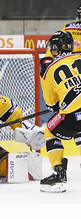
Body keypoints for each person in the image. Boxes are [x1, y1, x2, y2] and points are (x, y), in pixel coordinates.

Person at [39, 30, 81, 193]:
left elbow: (52, 103)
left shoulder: (49, 69)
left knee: (50, 130)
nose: (53, 51)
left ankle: (59, 173)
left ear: (60, 48)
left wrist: (58, 107)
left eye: (55, 48)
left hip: (72, 113)